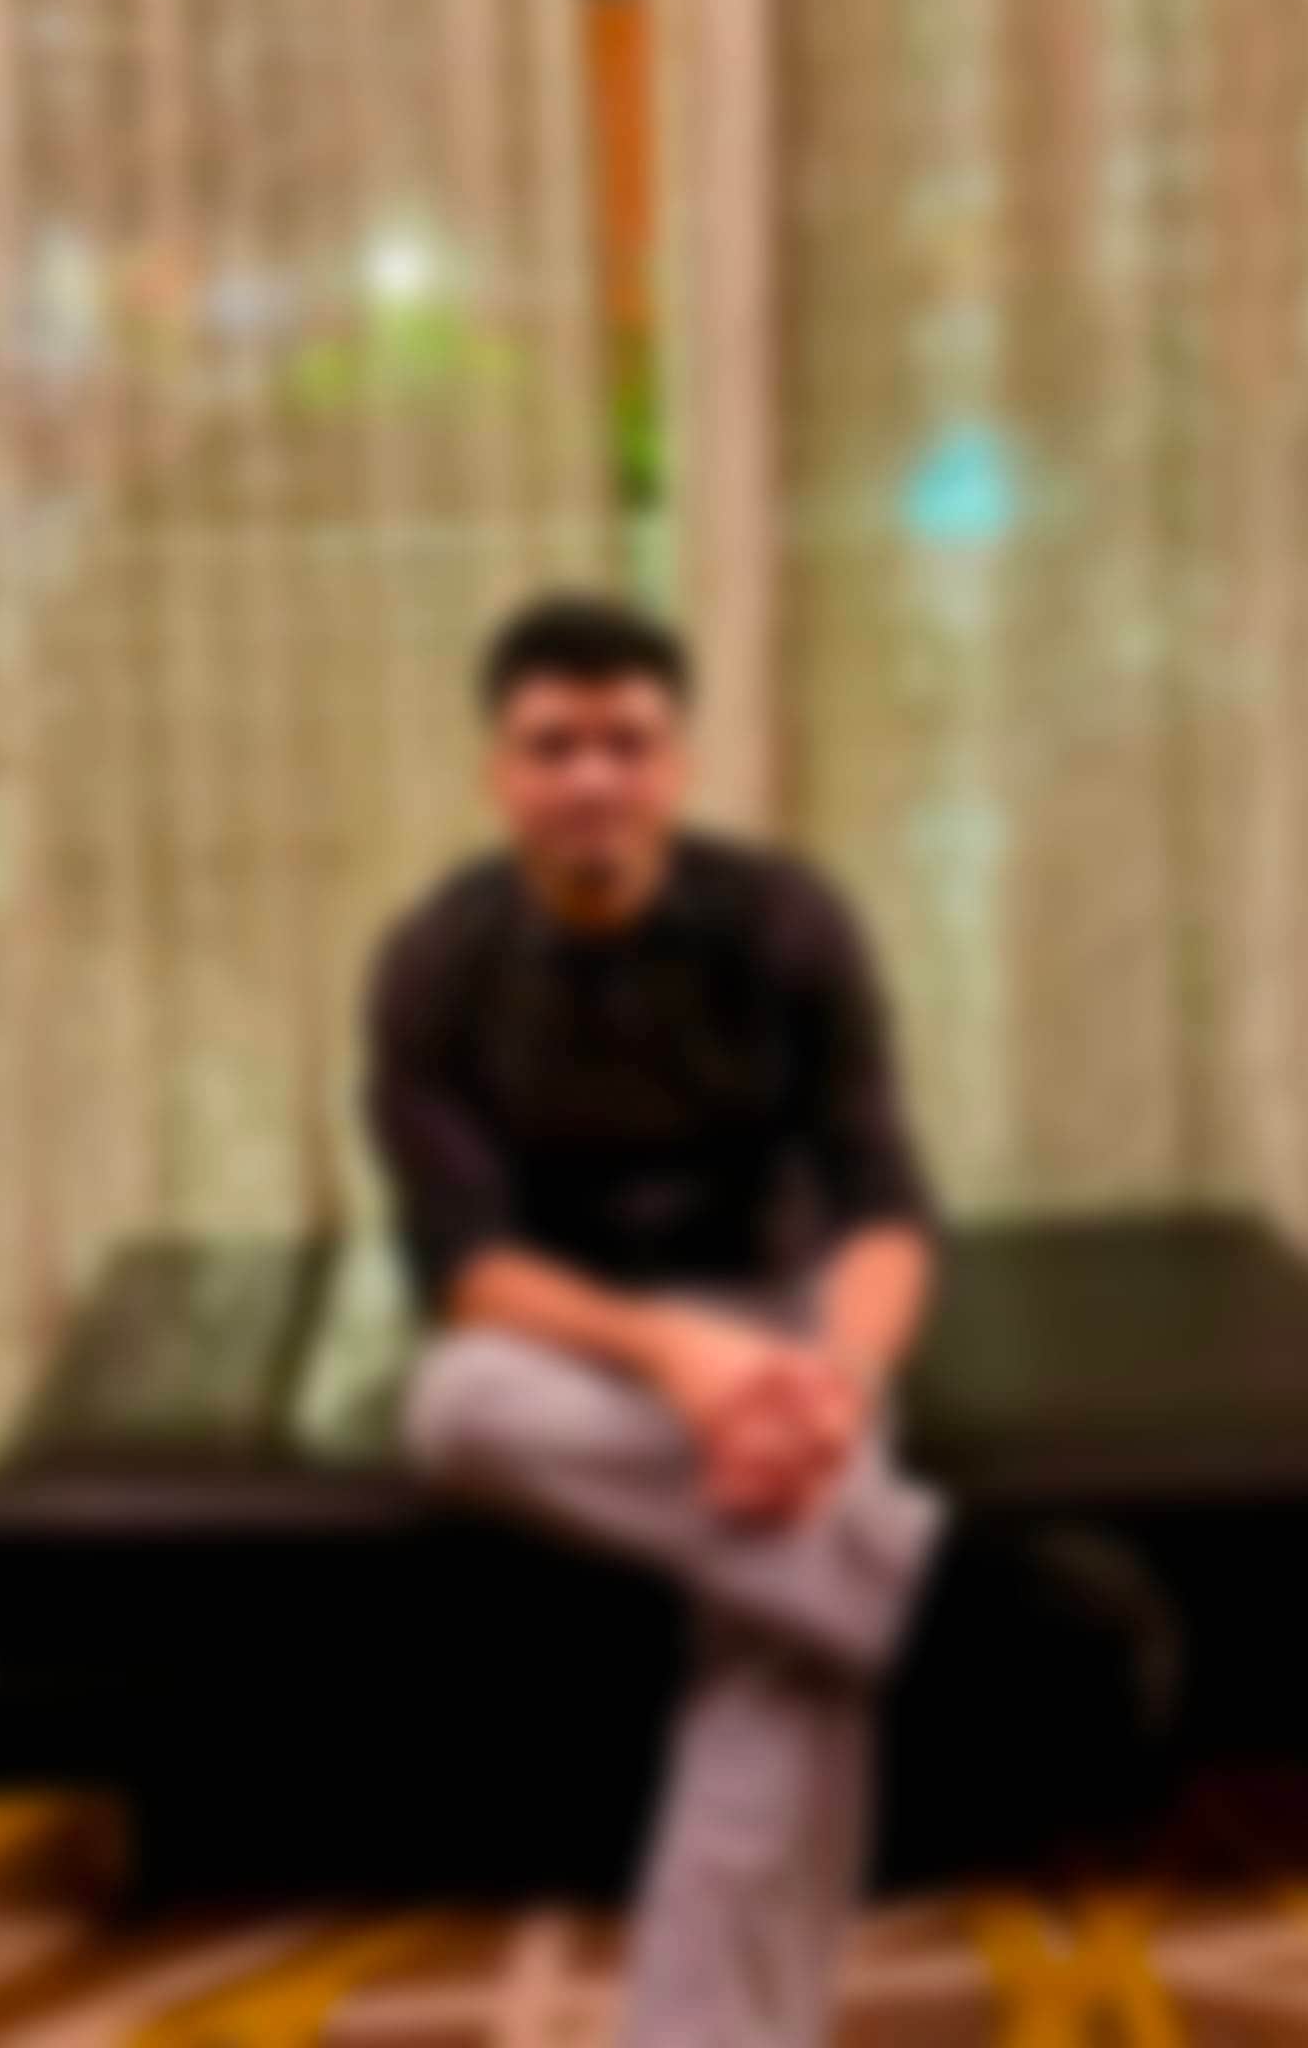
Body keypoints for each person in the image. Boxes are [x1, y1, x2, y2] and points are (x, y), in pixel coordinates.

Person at [363, 591, 951, 2048]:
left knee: (780, 1625)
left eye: (627, 742)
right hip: (568, 1349)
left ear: (678, 766)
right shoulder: (432, 959)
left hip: (784, 1329)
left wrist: (835, 1382)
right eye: (552, 745)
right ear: (499, 774)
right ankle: (926, 1581)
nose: (592, 778)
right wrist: (673, 1357)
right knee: (448, 1402)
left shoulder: (788, 922)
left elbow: (886, 1208)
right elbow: (461, 1267)